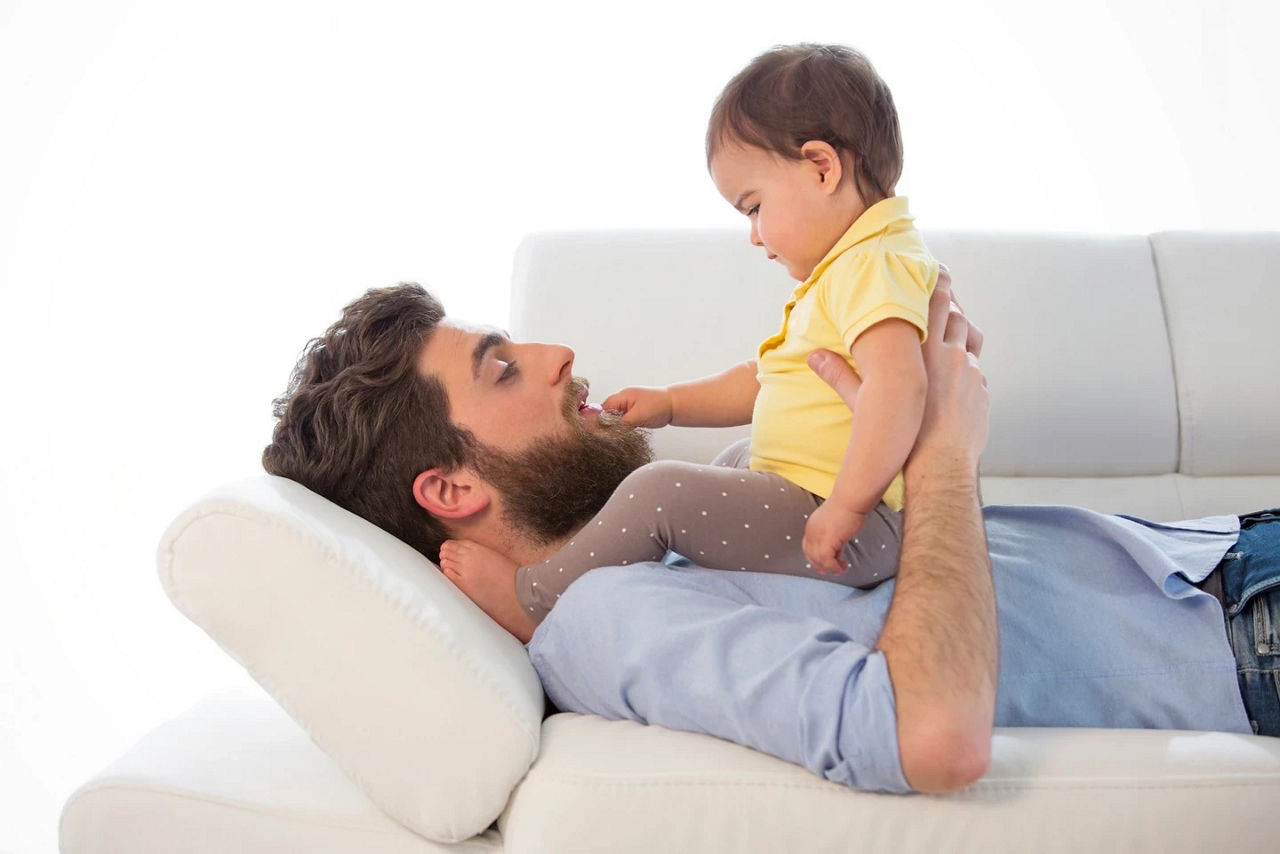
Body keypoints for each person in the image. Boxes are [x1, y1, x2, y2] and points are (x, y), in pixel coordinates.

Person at [262, 279, 1278, 795]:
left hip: (1220, 557)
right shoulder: (608, 620)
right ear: (447, 486)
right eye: (499, 367)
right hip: (1240, 638)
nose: (555, 351)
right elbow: (932, 734)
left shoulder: (648, 537)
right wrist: (940, 461)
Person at [444, 44, 938, 632]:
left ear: (822, 168)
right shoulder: (848, 269)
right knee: (735, 461)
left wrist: (846, 507)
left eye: (754, 208)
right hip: (825, 498)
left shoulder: (872, 266)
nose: (755, 237)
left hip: (862, 525)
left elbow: (898, 389)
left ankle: (535, 600)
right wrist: (673, 403)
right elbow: (766, 379)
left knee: (660, 491)